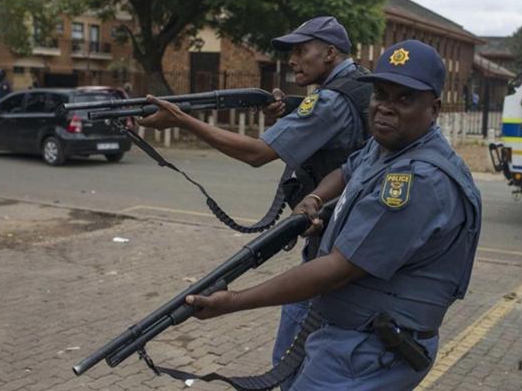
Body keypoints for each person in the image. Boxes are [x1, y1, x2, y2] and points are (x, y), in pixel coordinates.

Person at [185, 40, 482, 391]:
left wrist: (234, 301)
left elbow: (339, 269)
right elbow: (347, 170)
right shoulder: (389, 144)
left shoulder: (418, 180)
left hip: (370, 351)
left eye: (404, 99)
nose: (385, 108)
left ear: (434, 109)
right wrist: (316, 199)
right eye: (380, 95)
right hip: (350, 335)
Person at [137, 16, 371, 385]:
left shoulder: (329, 101)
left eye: (301, 51)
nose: (292, 60)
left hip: (329, 243)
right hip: (349, 234)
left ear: (329, 53)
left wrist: (183, 121)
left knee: (290, 359)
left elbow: (257, 153)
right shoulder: (361, 84)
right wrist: (289, 109)